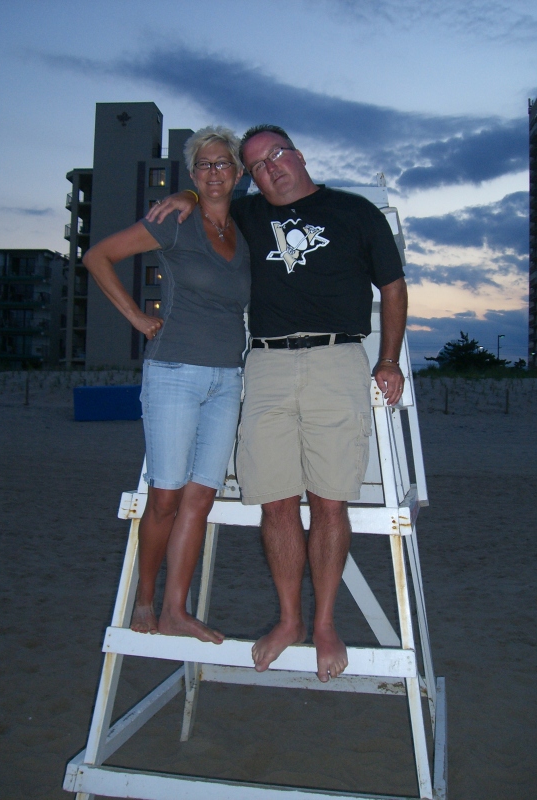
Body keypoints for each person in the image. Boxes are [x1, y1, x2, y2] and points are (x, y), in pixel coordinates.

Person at [147, 124, 407, 679]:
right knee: (275, 501)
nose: (271, 168)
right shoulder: (245, 216)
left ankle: (325, 624)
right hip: (263, 364)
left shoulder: (355, 212)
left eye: (277, 155)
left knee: (332, 501)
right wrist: (187, 194)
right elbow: (207, 200)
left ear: (299, 155)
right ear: (249, 176)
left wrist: (388, 359)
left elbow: (392, 286)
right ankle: (289, 619)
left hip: (338, 360)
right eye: (257, 165)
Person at [83, 126, 250, 642]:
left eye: (223, 163)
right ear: (191, 172)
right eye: (203, 166)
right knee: (165, 498)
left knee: (200, 499)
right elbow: (98, 257)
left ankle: (177, 610)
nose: (214, 172)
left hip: (228, 379)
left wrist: (197, 193)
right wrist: (136, 317)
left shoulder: (244, 230)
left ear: (238, 172)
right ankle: (146, 598)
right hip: (174, 373)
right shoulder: (177, 222)